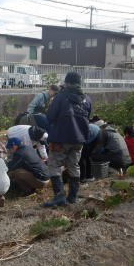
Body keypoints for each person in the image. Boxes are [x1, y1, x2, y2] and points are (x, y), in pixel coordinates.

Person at [43, 72, 92, 207]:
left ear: (67, 83)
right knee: (74, 165)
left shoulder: (60, 97)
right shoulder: (87, 99)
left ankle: (59, 196)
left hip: (60, 138)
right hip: (79, 140)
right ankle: (72, 197)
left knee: (54, 164)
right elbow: (87, 117)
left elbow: (50, 117)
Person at [80, 118, 103, 183]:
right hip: (97, 132)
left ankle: (83, 178)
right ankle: (89, 176)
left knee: (82, 157)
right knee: (87, 156)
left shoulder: (76, 130)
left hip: (94, 135)